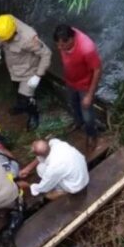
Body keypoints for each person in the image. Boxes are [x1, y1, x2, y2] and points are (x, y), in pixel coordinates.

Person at [0, 14, 52, 131]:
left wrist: (38, 75)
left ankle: (34, 115)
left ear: (13, 32)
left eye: (6, 39)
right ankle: (20, 106)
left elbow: (46, 53)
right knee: (17, 90)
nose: (3, 40)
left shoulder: (28, 38)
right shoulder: (4, 24)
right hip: (14, 69)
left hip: (28, 71)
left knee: (26, 97)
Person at [53, 24, 102, 153]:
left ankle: (92, 134)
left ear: (70, 40)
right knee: (73, 104)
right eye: (57, 45)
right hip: (71, 82)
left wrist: (89, 95)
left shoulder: (87, 48)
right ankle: (78, 123)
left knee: (88, 114)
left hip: (84, 85)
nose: (59, 48)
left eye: (62, 46)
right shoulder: (64, 38)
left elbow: (97, 70)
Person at [18, 138, 89, 201]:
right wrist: (28, 168)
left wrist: (29, 186)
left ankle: (61, 190)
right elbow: (42, 155)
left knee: (41, 171)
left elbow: (44, 187)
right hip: (82, 173)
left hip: (76, 185)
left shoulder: (53, 168)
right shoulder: (56, 143)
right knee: (43, 168)